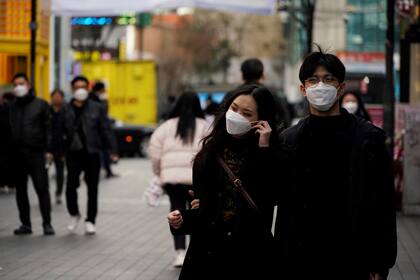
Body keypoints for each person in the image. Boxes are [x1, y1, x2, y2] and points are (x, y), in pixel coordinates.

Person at [274, 48, 397, 279]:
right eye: (313, 80)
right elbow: (277, 197)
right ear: (303, 89)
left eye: (328, 79)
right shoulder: (288, 140)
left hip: (352, 257)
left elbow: (384, 204)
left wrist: (380, 262)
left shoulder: (369, 139)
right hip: (300, 258)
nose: (321, 86)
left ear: (341, 87)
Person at [167, 85, 279, 279]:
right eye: (234, 108)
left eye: (247, 113)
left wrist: (264, 148)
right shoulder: (210, 152)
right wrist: (181, 220)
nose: (236, 115)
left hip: (250, 254)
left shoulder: (269, 151)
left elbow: (270, 194)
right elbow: (204, 210)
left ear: (261, 120)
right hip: (208, 253)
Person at [149, 91, 210, 267]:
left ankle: (179, 254)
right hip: (195, 180)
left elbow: (154, 151)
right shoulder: (205, 126)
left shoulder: (166, 126)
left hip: (172, 180)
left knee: (176, 213)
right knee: (196, 214)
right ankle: (195, 252)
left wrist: (159, 172)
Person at [62, 75, 118, 235]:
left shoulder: (96, 107)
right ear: (72, 89)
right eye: (77, 87)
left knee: (92, 188)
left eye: (83, 87)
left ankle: (90, 220)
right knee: (70, 185)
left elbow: (106, 129)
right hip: (73, 153)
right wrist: (55, 150)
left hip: (92, 152)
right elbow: (58, 130)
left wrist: (113, 150)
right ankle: (74, 213)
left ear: (87, 89)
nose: (80, 90)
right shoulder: (66, 109)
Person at [8, 73, 55, 235]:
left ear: (28, 85)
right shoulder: (11, 107)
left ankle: (47, 224)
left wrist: (49, 150)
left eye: (21, 83)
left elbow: (49, 129)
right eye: (15, 84)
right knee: (20, 191)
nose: (18, 87)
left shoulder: (41, 105)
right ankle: (25, 224)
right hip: (17, 154)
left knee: (41, 188)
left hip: (36, 153)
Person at [223, 58, 291, 129]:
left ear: (242, 76)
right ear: (262, 76)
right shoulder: (273, 95)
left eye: (247, 114)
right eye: (234, 108)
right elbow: (285, 120)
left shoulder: (231, 95)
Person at [89, 81, 118, 178]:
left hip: (100, 130)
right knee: (101, 152)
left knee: (105, 151)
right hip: (97, 131)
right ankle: (102, 170)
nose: (105, 91)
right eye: (103, 89)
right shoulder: (95, 100)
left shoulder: (97, 99)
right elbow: (102, 115)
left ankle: (107, 170)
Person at [50, 89, 66, 204]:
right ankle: (44, 192)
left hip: (61, 147)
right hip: (48, 147)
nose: (56, 98)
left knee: (60, 172)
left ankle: (59, 192)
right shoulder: (46, 110)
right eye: (54, 96)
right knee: (42, 172)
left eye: (58, 96)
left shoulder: (66, 111)